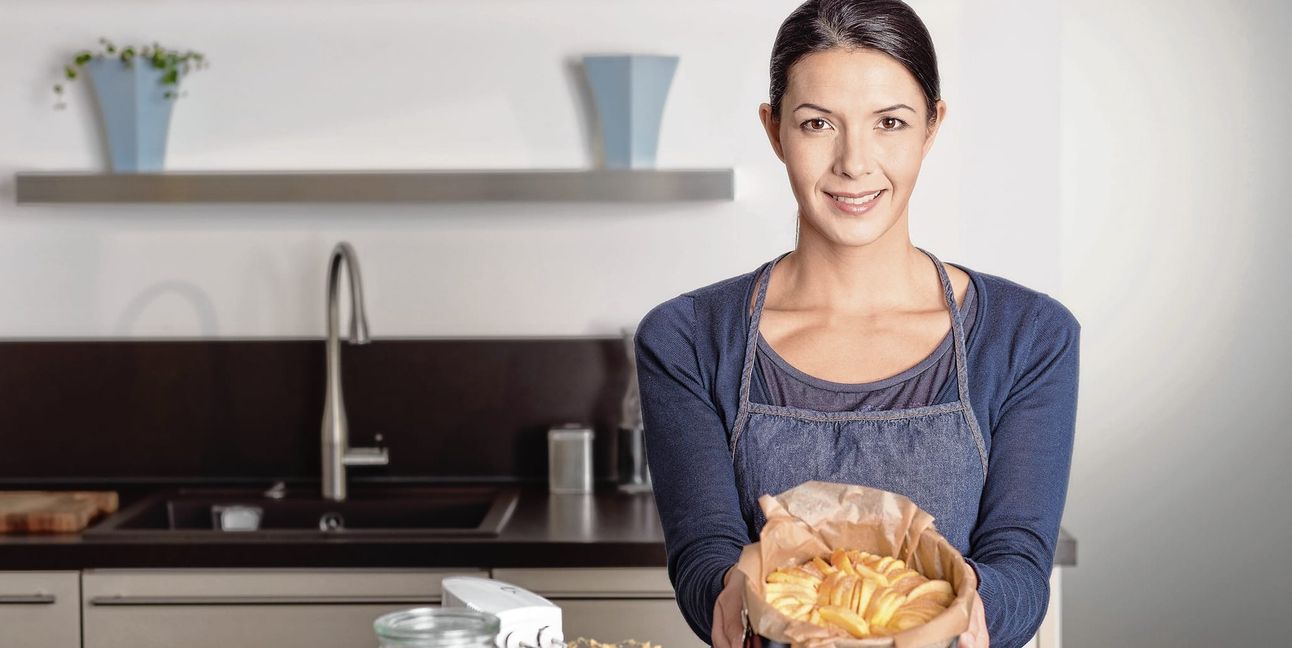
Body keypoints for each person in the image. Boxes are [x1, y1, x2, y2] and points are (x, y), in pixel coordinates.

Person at [633, 1, 1081, 647]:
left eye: (890, 123)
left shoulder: (1027, 335)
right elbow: (704, 555)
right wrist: (734, 593)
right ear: (774, 130)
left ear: (932, 127)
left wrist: (956, 619)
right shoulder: (686, 338)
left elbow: (1018, 561)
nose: (854, 162)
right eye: (817, 123)